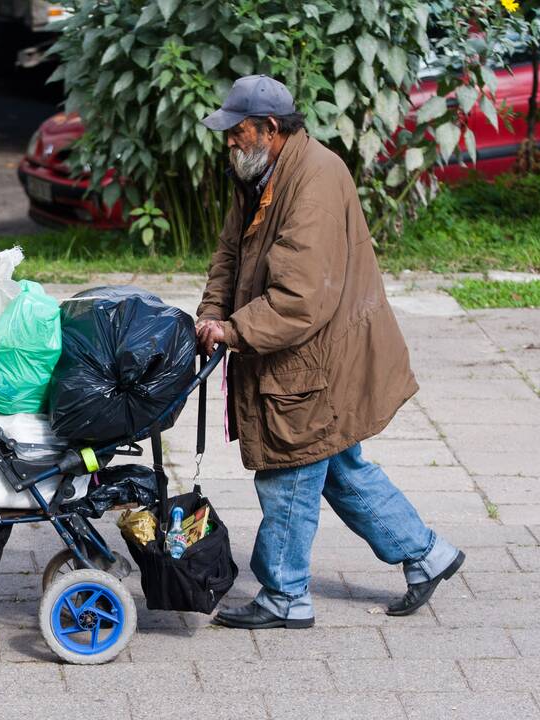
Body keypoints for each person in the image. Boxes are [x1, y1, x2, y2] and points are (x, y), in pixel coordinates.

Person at [194, 75, 465, 629]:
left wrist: (234, 331)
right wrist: (211, 312)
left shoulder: (312, 180)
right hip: (305, 353)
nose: (228, 141)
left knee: (288, 471)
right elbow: (230, 253)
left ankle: (285, 597)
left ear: (270, 129)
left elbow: (299, 298)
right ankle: (427, 553)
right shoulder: (259, 171)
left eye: (236, 131)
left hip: (313, 360)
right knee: (337, 465)